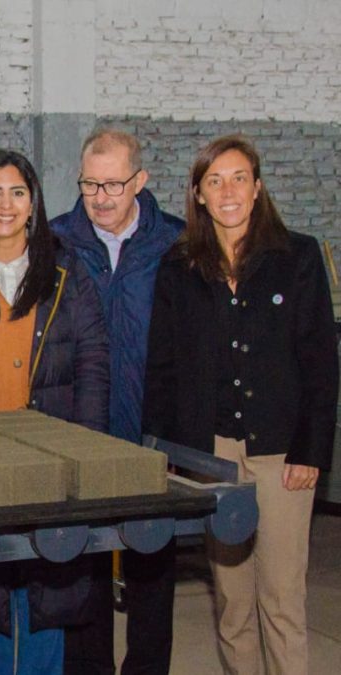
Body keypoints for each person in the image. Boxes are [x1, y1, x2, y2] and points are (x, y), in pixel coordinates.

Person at [143, 135, 337, 675]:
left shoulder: (296, 258)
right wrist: (168, 452)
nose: (227, 191)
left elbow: (321, 364)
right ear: (198, 195)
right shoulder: (178, 268)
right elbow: (162, 368)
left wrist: (312, 450)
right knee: (232, 602)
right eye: (214, 181)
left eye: (238, 178)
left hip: (283, 455)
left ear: (257, 187)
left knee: (281, 600)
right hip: (212, 457)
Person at [0, 149, 109, 675]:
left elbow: (93, 362)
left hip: (49, 462)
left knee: (45, 596)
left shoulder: (67, 268)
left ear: (33, 202)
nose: (5, 204)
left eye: (17, 192)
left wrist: (85, 454)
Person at [51, 128, 184, 675]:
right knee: (82, 575)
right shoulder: (56, 242)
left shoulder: (176, 244)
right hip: (79, 434)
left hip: (153, 434)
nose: (101, 197)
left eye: (113, 184)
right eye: (89, 184)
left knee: (152, 567)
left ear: (141, 181)